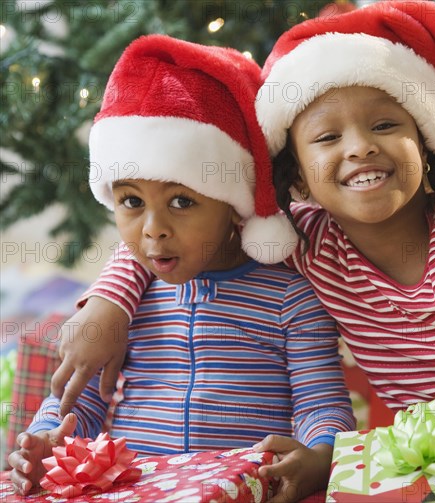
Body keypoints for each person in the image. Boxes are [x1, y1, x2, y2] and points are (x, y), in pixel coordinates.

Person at [51, 1, 435, 497]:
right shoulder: (310, 242)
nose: (360, 147)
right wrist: (111, 302)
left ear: (428, 145)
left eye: (385, 124)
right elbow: (190, 230)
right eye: (327, 138)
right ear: (296, 179)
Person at [8, 34, 355, 502]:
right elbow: (77, 402)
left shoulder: (291, 297)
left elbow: (321, 404)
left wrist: (320, 453)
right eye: (131, 201)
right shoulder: (125, 300)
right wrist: (48, 438)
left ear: (235, 206)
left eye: (181, 201)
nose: (153, 229)